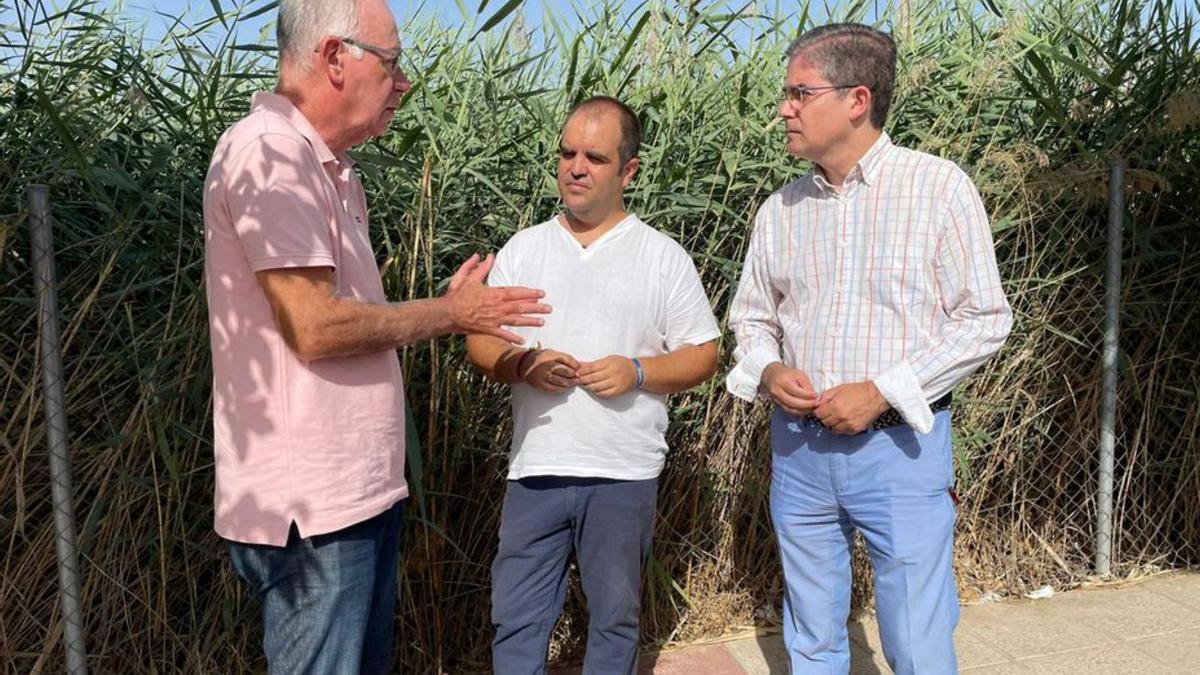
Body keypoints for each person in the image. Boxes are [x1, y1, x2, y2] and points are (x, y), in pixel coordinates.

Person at [201, 0, 550, 671]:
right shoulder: (271, 154)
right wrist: (452, 314)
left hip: (350, 497)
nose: (404, 82)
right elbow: (314, 324)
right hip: (315, 509)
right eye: (391, 63)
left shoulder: (327, 167)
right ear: (335, 59)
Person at [726, 23, 1012, 675]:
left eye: (800, 92)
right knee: (814, 639)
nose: (784, 109)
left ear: (857, 99)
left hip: (901, 450)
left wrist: (881, 389)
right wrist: (768, 368)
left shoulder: (938, 189)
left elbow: (985, 319)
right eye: (786, 93)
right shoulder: (781, 208)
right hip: (799, 452)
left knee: (916, 640)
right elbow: (751, 316)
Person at [465, 96, 720, 674]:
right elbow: (481, 342)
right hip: (536, 468)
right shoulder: (524, 248)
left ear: (628, 171)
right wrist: (521, 364)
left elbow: (705, 353)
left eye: (595, 157)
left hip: (623, 473)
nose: (576, 167)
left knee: (614, 619)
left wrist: (637, 371)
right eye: (567, 153)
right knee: (518, 616)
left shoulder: (662, 258)